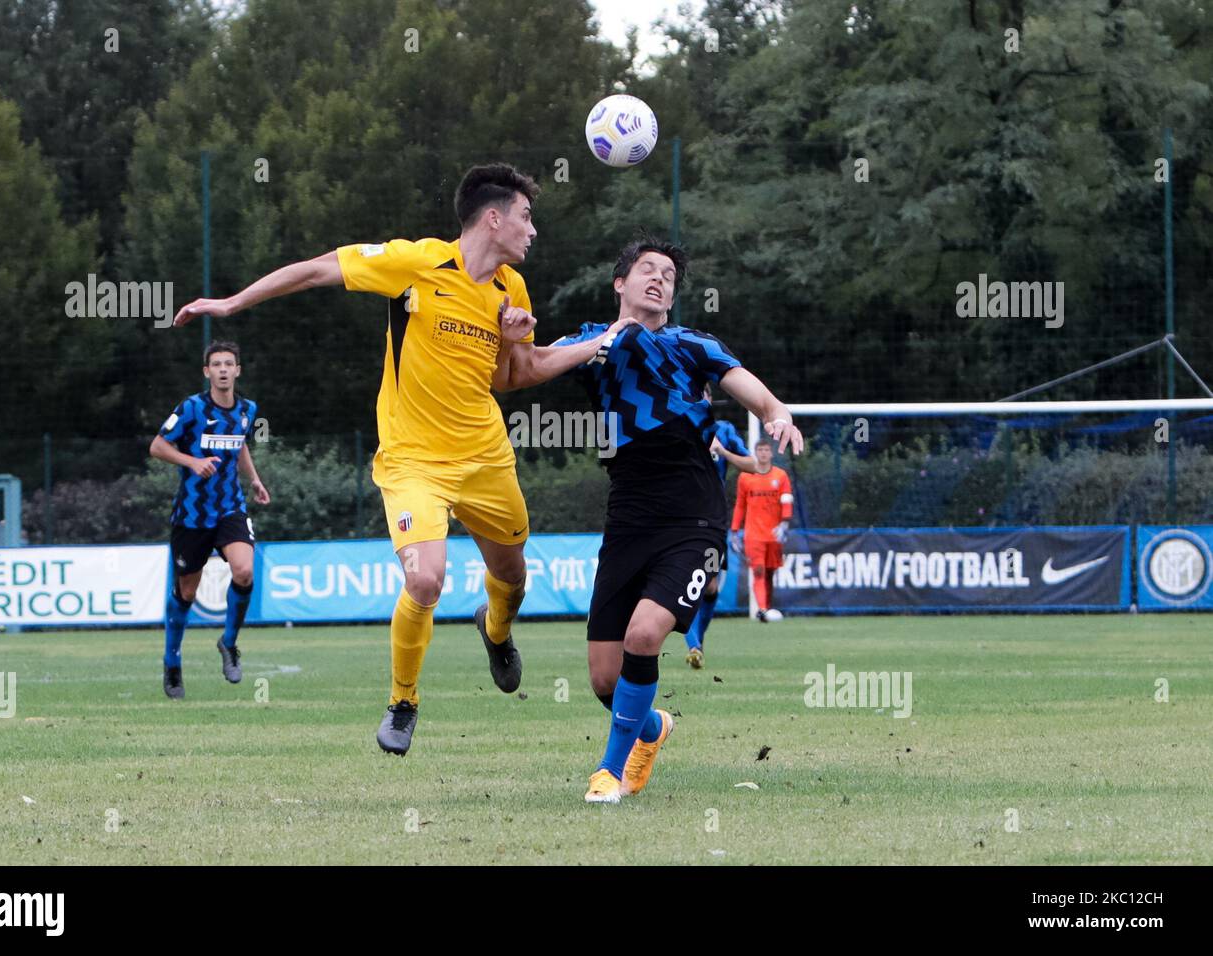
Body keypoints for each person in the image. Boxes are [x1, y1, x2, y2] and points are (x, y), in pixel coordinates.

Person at [173, 163, 620, 754]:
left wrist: (549, 341)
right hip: (413, 462)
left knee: (512, 577)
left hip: (485, 457)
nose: (533, 230)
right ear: (493, 218)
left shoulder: (511, 289)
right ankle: (403, 702)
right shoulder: (416, 263)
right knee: (426, 578)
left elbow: (519, 374)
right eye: (526, 216)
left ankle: (496, 630)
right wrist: (233, 304)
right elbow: (317, 269)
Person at [500, 235, 803, 803]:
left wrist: (777, 412)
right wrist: (507, 336)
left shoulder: (694, 344)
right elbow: (520, 371)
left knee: (645, 635)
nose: (659, 278)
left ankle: (608, 772)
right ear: (621, 283)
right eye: (646, 269)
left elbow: (753, 392)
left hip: (694, 516)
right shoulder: (593, 341)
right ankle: (654, 728)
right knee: (604, 680)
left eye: (668, 273)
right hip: (628, 517)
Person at [149, 341, 268, 699]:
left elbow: (240, 443)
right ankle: (172, 662)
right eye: (216, 364)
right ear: (206, 371)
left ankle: (228, 643)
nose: (222, 369)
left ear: (237, 370)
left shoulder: (247, 409)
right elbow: (157, 446)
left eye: (229, 363)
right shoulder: (192, 408)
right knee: (187, 591)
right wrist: (192, 462)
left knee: (244, 571)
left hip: (230, 508)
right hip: (192, 513)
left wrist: (255, 479)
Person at [683, 385, 757, 668]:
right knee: (692, 585)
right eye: (695, 395)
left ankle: (697, 644)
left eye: (706, 394)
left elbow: (754, 466)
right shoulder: (678, 427)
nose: (702, 400)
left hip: (713, 519)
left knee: (711, 587)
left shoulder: (723, 431)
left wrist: (722, 451)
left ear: (711, 399)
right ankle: (693, 645)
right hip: (682, 519)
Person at [731, 440, 794, 622]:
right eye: (760, 450)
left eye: (766, 450)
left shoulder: (780, 476)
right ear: (756, 452)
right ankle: (763, 609)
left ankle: (766, 608)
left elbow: (787, 501)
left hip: (774, 534)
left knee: (769, 572)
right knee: (758, 571)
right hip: (754, 535)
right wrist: (735, 530)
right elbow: (740, 505)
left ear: (771, 453)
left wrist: (785, 523)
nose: (763, 453)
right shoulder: (745, 477)